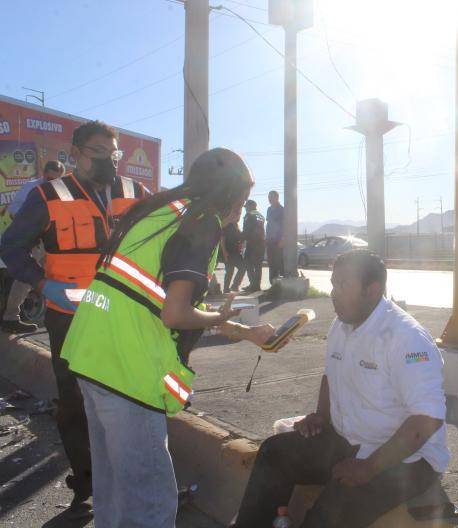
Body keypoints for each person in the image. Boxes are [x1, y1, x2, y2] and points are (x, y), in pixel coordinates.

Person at [59, 148, 276, 528]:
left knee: (113, 490)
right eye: (240, 200)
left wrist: (243, 332)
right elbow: (176, 314)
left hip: (91, 356)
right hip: (128, 370)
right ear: (225, 193)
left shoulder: (164, 211)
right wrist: (219, 316)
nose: (240, 211)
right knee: (151, 505)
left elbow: (166, 303)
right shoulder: (201, 222)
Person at [232, 250, 449, 528]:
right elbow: (331, 377)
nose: (334, 293)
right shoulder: (341, 325)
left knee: (330, 513)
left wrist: (369, 467)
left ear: (372, 290)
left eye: (343, 285)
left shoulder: (406, 339)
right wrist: (321, 416)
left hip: (404, 461)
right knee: (274, 453)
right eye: (333, 284)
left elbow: (425, 421)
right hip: (348, 441)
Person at [0, 121, 149, 519]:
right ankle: (86, 485)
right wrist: (40, 283)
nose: (109, 160)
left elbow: (163, 240)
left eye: (113, 153)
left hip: (122, 318)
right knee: (74, 402)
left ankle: (122, 479)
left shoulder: (135, 193)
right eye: (98, 151)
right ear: (75, 152)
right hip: (70, 318)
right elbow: (10, 247)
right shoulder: (49, 196)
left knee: (125, 399)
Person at [1, 160, 65, 334]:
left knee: (59, 276)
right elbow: (14, 210)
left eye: (55, 179)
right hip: (36, 240)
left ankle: (60, 317)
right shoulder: (32, 188)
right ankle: (11, 318)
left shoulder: (62, 190)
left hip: (55, 241)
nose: (51, 182)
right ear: (43, 174)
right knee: (26, 277)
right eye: (49, 178)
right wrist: (32, 229)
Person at [242, 199, 266, 292]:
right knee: (258, 265)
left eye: (246, 207)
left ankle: (253, 284)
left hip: (252, 243)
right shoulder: (260, 215)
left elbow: (247, 230)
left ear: (251, 206)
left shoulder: (249, 215)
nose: (245, 209)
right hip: (261, 243)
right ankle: (256, 285)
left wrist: (240, 239)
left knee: (248, 263)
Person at [221, 221, 245, 293]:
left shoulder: (237, 226)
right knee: (229, 271)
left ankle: (235, 285)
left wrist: (240, 244)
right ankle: (226, 289)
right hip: (229, 252)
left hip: (236, 253)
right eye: (237, 214)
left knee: (243, 267)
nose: (238, 217)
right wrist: (224, 252)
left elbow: (240, 239)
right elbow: (222, 240)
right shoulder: (227, 226)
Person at [266, 190, 284, 282]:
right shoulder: (269, 210)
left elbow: (285, 225)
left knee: (279, 263)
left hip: (278, 241)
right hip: (269, 240)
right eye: (269, 197)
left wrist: (282, 239)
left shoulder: (282, 210)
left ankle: (280, 284)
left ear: (276, 198)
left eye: (271, 197)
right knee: (271, 263)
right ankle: (272, 284)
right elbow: (269, 224)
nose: (269, 199)